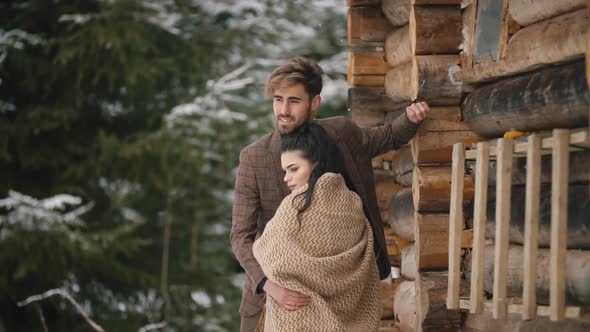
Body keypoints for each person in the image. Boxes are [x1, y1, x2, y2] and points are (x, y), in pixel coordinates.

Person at [231, 57, 430, 331]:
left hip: (341, 297)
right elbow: (241, 236)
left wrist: (410, 118)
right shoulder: (254, 158)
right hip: (276, 298)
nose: (283, 110)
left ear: (314, 103)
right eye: (278, 100)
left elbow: (384, 138)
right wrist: (269, 285)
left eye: (294, 101)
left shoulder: (341, 133)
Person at [252, 122, 381, 331]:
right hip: (352, 322)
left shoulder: (295, 205)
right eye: (285, 170)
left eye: (294, 169)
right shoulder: (353, 203)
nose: (287, 178)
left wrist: (260, 248)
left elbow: (275, 260)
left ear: (316, 163)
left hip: (299, 321)